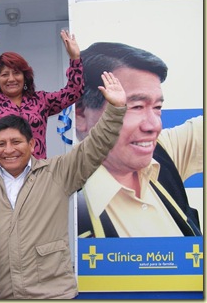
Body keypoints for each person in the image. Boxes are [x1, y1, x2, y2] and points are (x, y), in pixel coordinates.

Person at [0, 71, 126, 299]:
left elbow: (95, 146)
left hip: (51, 294)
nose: (9, 150)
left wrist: (115, 110)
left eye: (16, 142)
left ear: (32, 143)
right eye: (1, 144)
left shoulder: (57, 173)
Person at [75, 42, 202, 238]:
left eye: (157, 107)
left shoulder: (163, 153)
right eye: (136, 107)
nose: (154, 126)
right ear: (81, 114)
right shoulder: (63, 203)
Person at [0, 29, 84, 171]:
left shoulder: (40, 100)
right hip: (4, 176)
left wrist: (75, 58)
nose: (11, 79)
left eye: (16, 73)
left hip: (38, 175)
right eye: (4, 75)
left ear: (25, 76)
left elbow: (74, 92)